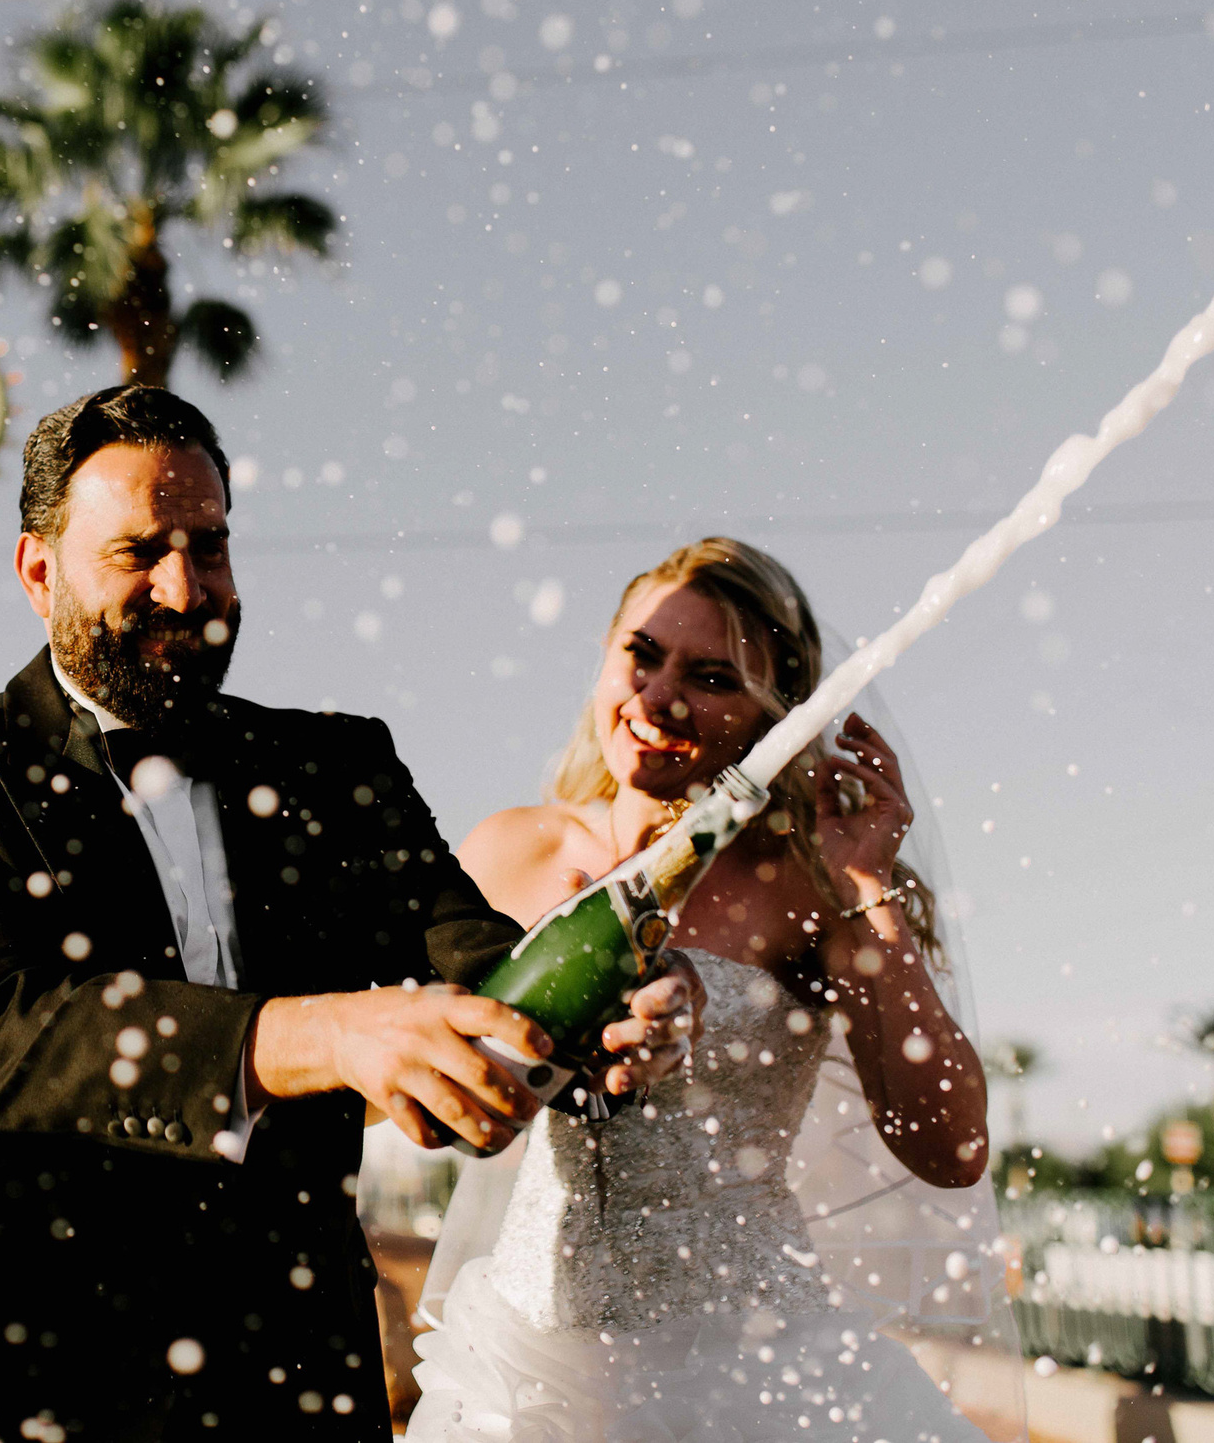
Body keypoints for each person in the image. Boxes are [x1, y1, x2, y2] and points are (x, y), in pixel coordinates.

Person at [0, 386, 704, 1442]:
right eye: (137, 551)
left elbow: (481, 960)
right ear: (36, 570)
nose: (184, 586)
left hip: (289, 1379)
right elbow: (1, 1033)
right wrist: (326, 1031)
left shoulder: (340, 767)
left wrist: (618, 1005)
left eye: (210, 545)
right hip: (3, 1382)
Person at [408, 537, 1006, 1443]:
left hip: (758, 1370)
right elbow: (401, 1083)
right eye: (641, 655)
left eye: (713, 677)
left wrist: (866, 893)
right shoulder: (510, 853)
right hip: (525, 1374)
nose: (660, 698)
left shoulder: (812, 884)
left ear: (774, 716)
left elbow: (951, 1148)